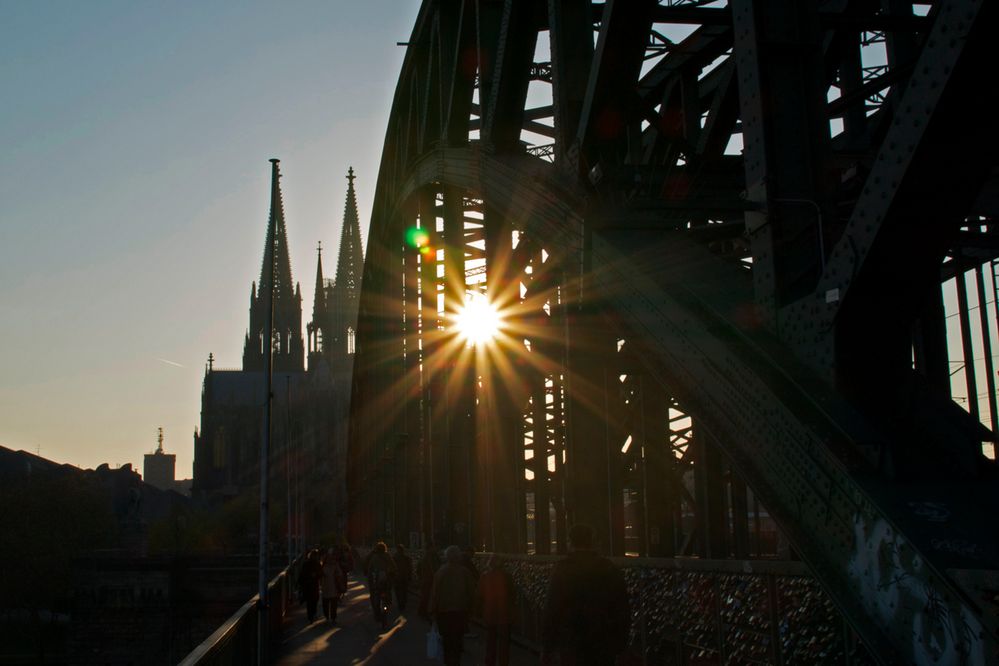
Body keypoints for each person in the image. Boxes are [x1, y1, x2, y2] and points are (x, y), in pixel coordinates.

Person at [541, 525, 631, 666]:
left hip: (570, 641)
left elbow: (552, 609)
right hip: (602, 641)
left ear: (570, 542)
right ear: (592, 541)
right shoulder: (609, 568)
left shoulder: (562, 569)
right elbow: (622, 608)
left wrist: (548, 647)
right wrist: (621, 645)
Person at [429, 545, 478, 666]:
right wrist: (473, 609)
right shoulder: (465, 572)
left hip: (444, 612)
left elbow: (435, 593)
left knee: (446, 641)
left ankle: (448, 662)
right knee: (457, 639)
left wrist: (432, 611)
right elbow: (472, 592)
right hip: (460, 611)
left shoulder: (440, 572)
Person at [479, 554, 515, 666]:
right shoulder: (507, 577)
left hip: (490, 612)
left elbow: (480, 595)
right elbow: (513, 594)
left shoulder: (485, 577)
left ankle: (490, 663)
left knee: (490, 642)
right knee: (504, 643)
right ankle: (503, 663)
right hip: (504, 613)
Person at [364, 541, 398, 628]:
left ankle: (377, 614)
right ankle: (386, 606)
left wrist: (370, 579)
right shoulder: (388, 556)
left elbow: (369, 570)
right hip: (386, 582)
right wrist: (392, 574)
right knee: (387, 595)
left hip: (376, 583)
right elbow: (394, 567)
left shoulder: (374, 557)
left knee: (375, 597)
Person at [320, 548, 347, 623]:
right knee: (326, 604)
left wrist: (337, 576)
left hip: (334, 588)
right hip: (325, 588)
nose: (330, 559)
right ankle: (327, 616)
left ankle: (333, 617)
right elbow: (319, 576)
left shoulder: (335, 565)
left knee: (333, 604)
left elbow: (340, 574)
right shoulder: (322, 566)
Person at [417, 542, 442, 621]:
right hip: (431, 579)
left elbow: (418, 568)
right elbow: (435, 567)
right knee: (430, 595)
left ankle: (422, 611)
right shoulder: (432, 556)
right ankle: (429, 611)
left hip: (425, 579)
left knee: (425, 595)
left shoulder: (424, 556)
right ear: (431, 547)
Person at [298, 549, 323, 624]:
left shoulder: (309, 563)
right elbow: (320, 573)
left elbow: (302, 574)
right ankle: (312, 615)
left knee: (311, 600)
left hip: (310, 585)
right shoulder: (315, 563)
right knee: (313, 600)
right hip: (311, 584)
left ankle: (311, 615)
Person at [392, 543, 413, 613]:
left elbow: (391, 567)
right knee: (404, 591)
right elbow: (410, 567)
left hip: (397, 578)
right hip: (404, 577)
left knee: (398, 591)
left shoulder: (394, 557)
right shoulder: (406, 558)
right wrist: (410, 576)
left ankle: (400, 604)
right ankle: (403, 603)